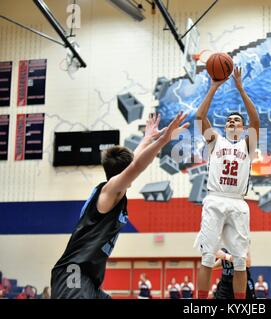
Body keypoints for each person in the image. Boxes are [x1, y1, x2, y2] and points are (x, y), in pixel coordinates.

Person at [50, 112, 189, 299]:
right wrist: (163, 140)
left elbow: (133, 162)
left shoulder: (113, 190)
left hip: (89, 278)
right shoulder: (110, 190)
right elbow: (136, 166)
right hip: (74, 273)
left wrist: (147, 137)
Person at [194, 67, 260, 299]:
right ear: (225, 127)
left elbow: (256, 119)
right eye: (229, 120)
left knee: (241, 261)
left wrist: (240, 88)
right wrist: (213, 87)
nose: (233, 122)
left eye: (237, 120)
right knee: (208, 257)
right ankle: (201, 303)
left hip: (238, 202)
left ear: (242, 128)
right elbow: (200, 117)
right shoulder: (216, 141)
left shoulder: (247, 145)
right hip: (215, 199)